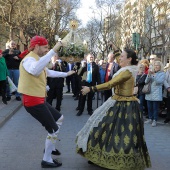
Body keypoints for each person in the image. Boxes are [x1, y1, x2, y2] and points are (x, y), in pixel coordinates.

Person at [76, 49, 151, 170]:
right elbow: (117, 60)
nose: (119, 58)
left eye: (122, 56)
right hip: (117, 101)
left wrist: (91, 89)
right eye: (120, 56)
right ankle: (98, 155)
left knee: (122, 134)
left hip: (125, 106)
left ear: (129, 59)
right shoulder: (127, 68)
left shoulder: (127, 72)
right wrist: (114, 48)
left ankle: (121, 160)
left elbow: (110, 84)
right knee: (102, 127)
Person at [17, 35, 75, 168]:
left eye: (47, 47)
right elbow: (35, 70)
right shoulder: (29, 60)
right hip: (32, 101)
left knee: (60, 118)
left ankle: (51, 146)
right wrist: (53, 50)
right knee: (53, 129)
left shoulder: (36, 58)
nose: (46, 49)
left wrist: (66, 74)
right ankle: (47, 159)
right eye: (45, 47)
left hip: (38, 100)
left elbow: (47, 71)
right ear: (36, 46)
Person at [144, 60, 165, 127]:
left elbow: (159, 81)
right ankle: (150, 118)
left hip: (156, 93)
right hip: (149, 92)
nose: (156, 67)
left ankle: (155, 120)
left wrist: (153, 75)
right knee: (149, 107)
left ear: (160, 66)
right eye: (155, 65)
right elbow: (146, 81)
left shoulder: (162, 73)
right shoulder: (151, 72)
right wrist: (148, 75)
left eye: (157, 65)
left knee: (155, 108)